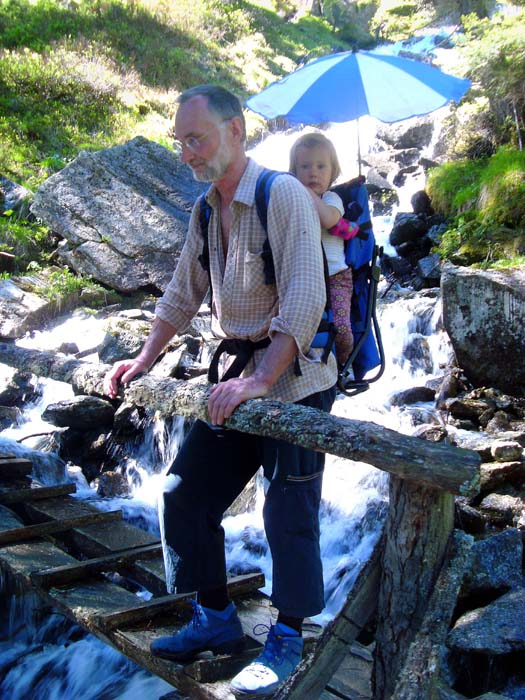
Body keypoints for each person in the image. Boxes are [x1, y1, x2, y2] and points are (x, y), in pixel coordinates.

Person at [104, 84, 337, 697]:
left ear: (236, 131)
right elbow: (181, 294)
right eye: (179, 141)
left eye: (196, 137)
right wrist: (143, 357)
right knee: (184, 494)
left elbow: (306, 299)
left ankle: (287, 636)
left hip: (295, 385)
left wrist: (263, 379)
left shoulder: (281, 194)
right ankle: (215, 616)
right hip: (241, 379)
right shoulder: (207, 209)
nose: (186, 151)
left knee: (288, 511)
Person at [289, 132, 354, 370]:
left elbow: (328, 220)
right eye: (304, 166)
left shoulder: (331, 198)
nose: (312, 172)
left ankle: (344, 366)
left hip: (336, 277)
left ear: (332, 172)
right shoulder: (291, 200)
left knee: (341, 327)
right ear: (294, 172)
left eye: (320, 166)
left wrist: (306, 193)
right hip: (304, 277)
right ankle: (306, 366)